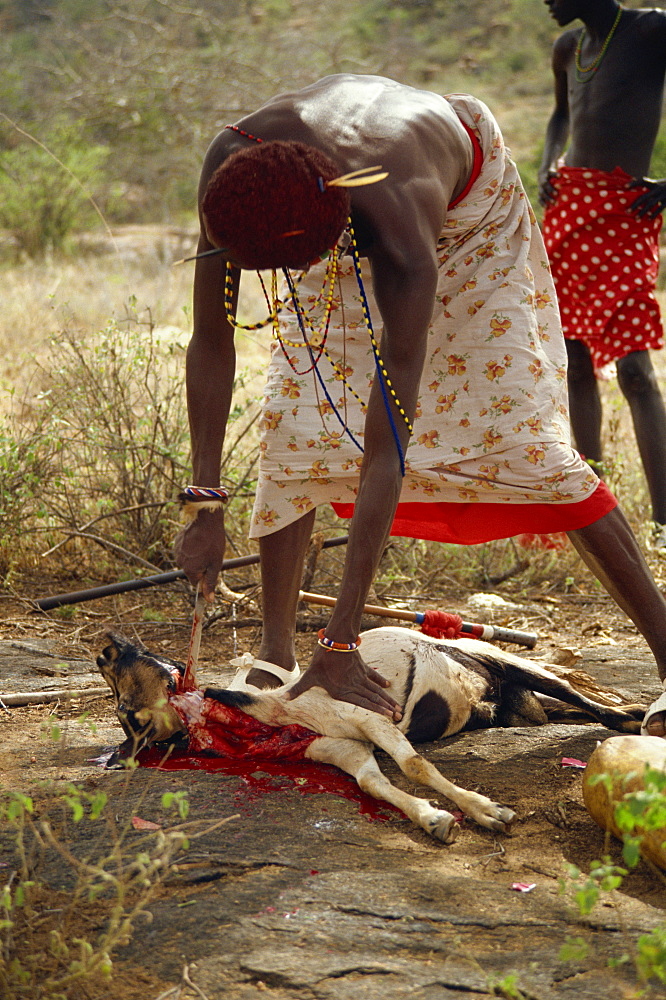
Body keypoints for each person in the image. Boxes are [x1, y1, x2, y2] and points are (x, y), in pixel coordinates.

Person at [174, 73, 666, 737]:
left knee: (523, 445)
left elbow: (388, 441)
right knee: (299, 423)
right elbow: (212, 335)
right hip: (332, 202)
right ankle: (276, 654)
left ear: (336, 236)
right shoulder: (234, 169)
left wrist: (345, 639)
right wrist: (204, 501)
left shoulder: (402, 227)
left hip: (467, 218)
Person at [539, 0, 666, 544]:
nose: (545, 1)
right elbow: (562, 115)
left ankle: (664, 523)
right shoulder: (568, 47)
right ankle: (594, 513)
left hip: (628, 208)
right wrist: (548, 162)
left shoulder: (649, 29)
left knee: (636, 371)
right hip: (569, 207)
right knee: (574, 361)